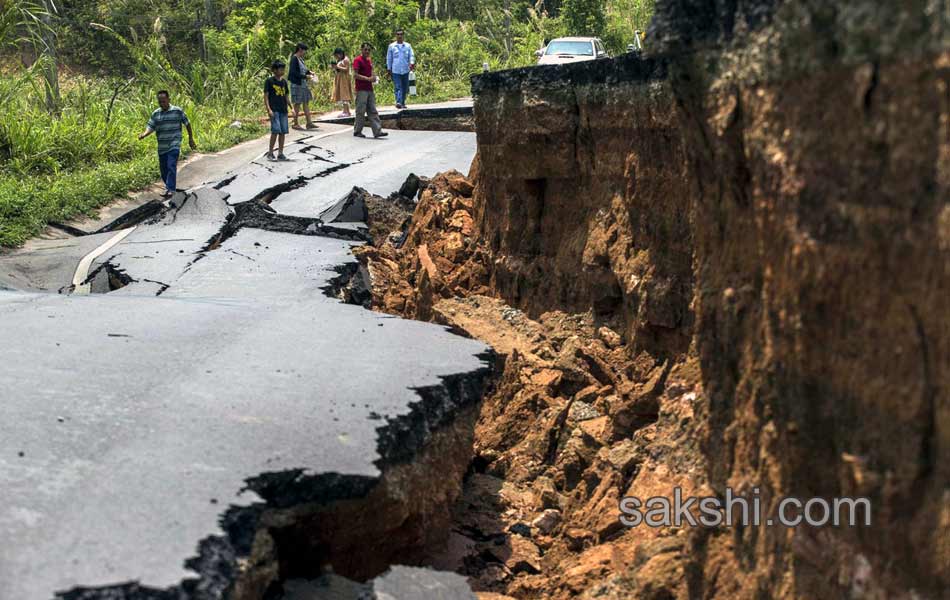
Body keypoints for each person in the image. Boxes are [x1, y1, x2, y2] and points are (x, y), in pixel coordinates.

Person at [138, 91, 196, 198]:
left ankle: (171, 189)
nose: (162, 104)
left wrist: (190, 139)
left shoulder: (177, 111)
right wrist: (144, 134)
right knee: (164, 170)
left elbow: (187, 123)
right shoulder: (156, 114)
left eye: (164, 101)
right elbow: (151, 126)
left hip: (174, 144)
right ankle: (168, 186)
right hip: (162, 146)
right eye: (160, 102)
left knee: (171, 165)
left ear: (169, 99)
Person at [352, 43, 388, 139]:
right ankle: (357, 131)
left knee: (372, 110)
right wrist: (368, 79)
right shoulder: (357, 60)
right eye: (365, 49)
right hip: (361, 89)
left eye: (368, 50)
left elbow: (372, 72)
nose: (367, 51)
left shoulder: (369, 61)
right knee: (361, 111)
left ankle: (377, 131)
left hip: (369, 89)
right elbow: (355, 75)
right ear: (361, 50)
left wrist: (374, 77)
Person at [264, 60, 291, 161]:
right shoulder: (269, 81)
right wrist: (268, 109)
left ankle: (280, 153)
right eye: (280, 69)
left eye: (283, 69)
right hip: (274, 110)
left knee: (283, 132)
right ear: (274, 70)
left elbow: (286, 96)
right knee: (275, 131)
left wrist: (291, 108)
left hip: (283, 109)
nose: (282, 71)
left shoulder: (284, 82)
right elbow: (266, 96)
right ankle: (270, 153)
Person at [289, 42, 317, 130]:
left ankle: (309, 122)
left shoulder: (300, 59)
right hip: (297, 84)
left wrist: (309, 72)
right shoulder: (294, 59)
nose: (305, 52)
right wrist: (306, 76)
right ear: (300, 49)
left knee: (306, 102)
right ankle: (295, 123)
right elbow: (293, 73)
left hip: (303, 84)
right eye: (304, 50)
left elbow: (303, 70)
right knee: (297, 103)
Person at [386, 29, 415, 109]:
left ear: (403, 35)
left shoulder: (408, 46)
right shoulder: (392, 46)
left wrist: (412, 63)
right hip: (395, 70)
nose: (399, 36)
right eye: (398, 34)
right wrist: (389, 69)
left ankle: (402, 102)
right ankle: (398, 102)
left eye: (401, 34)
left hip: (405, 69)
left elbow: (411, 55)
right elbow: (389, 58)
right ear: (396, 36)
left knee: (405, 87)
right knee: (398, 86)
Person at [331, 48, 353, 117]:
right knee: (342, 94)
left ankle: (346, 111)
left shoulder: (345, 59)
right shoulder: (340, 60)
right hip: (340, 79)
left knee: (344, 94)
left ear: (339, 54)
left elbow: (346, 69)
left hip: (344, 79)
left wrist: (337, 67)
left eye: (336, 55)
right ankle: (346, 111)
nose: (336, 57)